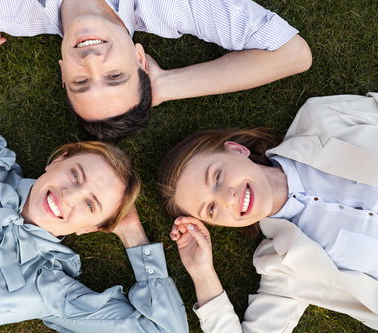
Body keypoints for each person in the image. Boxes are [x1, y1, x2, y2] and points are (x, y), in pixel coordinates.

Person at [0, 16, 189, 333]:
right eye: (75, 175)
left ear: (91, 229)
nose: (69, 196)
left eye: (91, 206)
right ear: (58, 161)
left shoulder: (47, 290)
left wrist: (134, 236)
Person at [0, 0, 312, 139]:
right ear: (140, 59)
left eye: (80, 82)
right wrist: (160, 87)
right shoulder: (173, 8)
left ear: (61, 71)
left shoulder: (4, 11)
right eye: (116, 76)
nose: (92, 63)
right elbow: (292, 54)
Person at [158, 92, 378, 332]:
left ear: (236, 149)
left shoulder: (321, 118)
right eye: (211, 208)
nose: (226, 198)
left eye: (217, 177)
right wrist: (202, 274)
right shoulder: (284, 266)